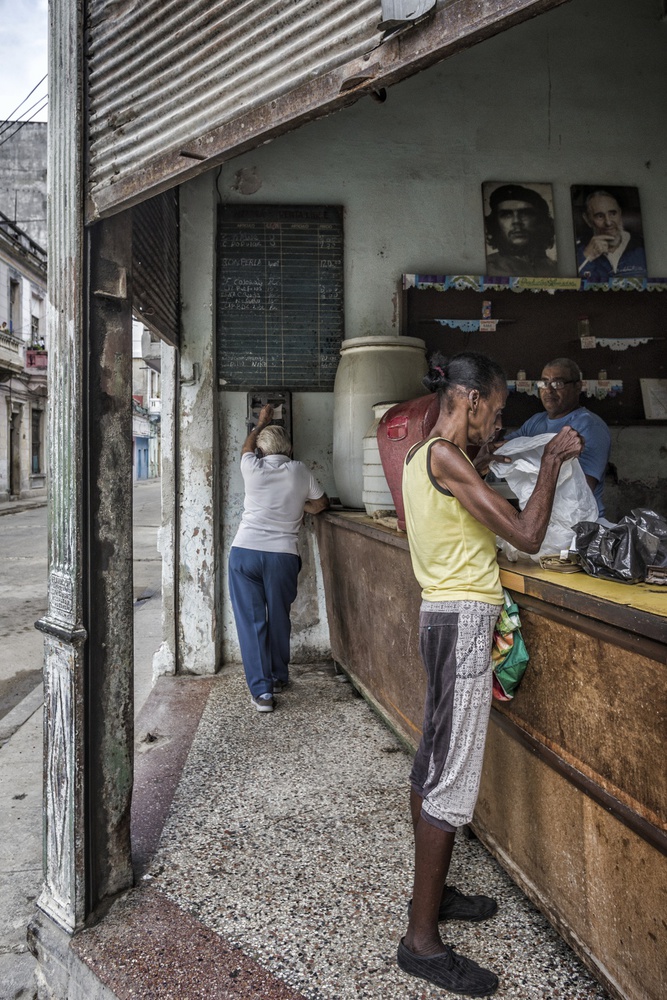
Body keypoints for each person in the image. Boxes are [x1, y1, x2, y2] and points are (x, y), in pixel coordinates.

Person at [398, 351, 582, 996]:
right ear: (470, 400)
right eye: (495, 412)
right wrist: (553, 461)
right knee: (450, 775)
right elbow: (528, 534)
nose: (494, 423)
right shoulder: (448, 457)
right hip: (462, 623)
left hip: (439, 619)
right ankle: (421, 942)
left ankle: (435, 895)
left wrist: (490, 459)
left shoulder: (428, 455)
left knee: (433, 757)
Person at [228, 404, 329, 713]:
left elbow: (245, 446)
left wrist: (259, 423)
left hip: (245, 554)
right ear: (291, 448)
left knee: (252, 623)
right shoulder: (299, 470)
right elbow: (322, 504)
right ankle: (279, 676)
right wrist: (300, 509)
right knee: (279, 617)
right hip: (282, 557)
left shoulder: (251, 466)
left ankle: (262, 694)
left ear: (260, 450)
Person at [498, 358, 611, 518]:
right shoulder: (535, 421)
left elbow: (581, 491)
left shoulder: (589, 426)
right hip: (542, 518)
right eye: (544, 383)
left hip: (578, 523)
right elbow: (503, 450)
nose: (549, 390)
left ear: (578, 386)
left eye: (558, 384)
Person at [484, 184, 558, 277]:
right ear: (495, 223)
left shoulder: (555, 268)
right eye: (506, 215)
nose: (516, 221)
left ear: (541, 221)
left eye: (525, 214)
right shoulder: (488, 267)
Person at [576, 189, 647, 282]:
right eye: (600, 216)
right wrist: (586, 257)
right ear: (587, 220)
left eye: (613, 214)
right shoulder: (576, 250)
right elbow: (569, 286)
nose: (608, 222)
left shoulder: (643, 245)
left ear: (620, 213)